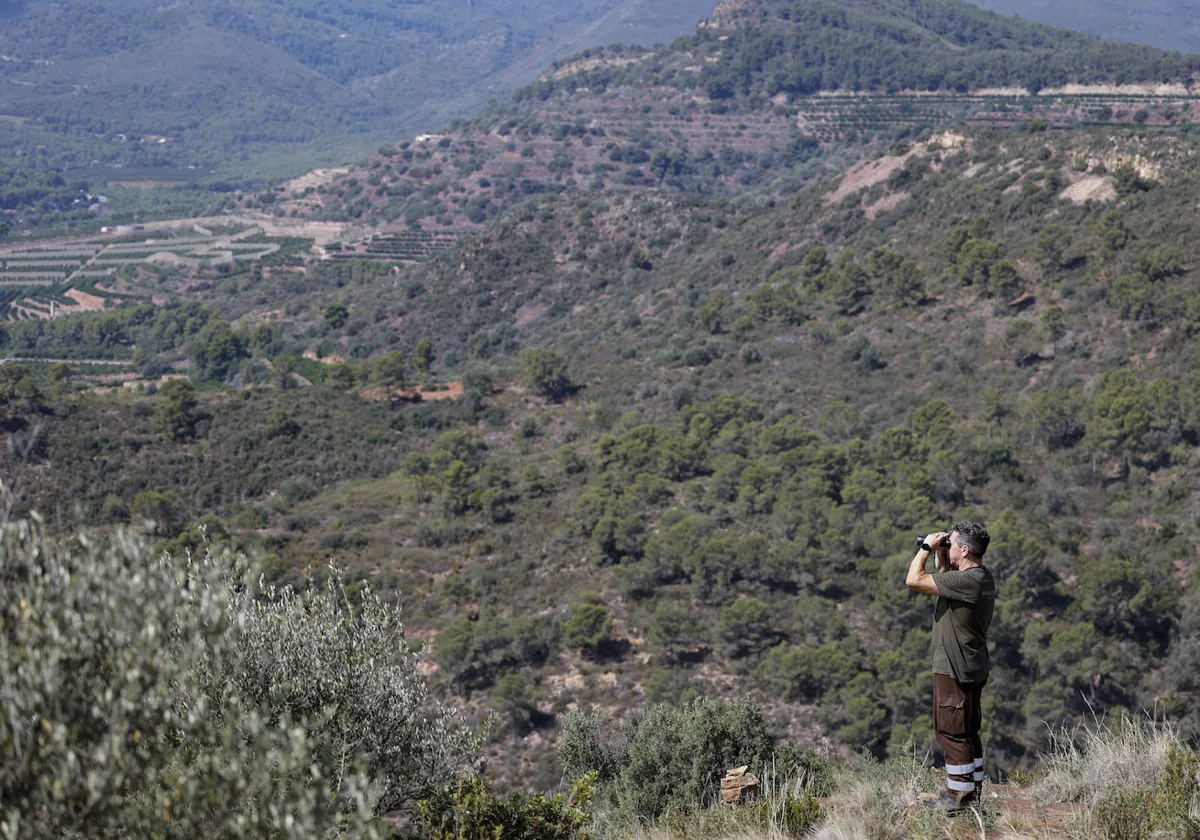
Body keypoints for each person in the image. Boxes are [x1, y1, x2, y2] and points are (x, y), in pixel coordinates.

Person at [905, 521, 996, 814]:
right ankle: (971, 793)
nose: (949, 545)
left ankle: (957, 800)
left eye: (953, 543)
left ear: (966, 550)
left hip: (954, 667)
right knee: (967, 731)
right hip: (972, 664)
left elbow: (914, 580)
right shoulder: (980, 578)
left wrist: (926, 548)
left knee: (952, 732)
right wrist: (944, 554)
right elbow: (946, 581)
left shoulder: (968, 582)